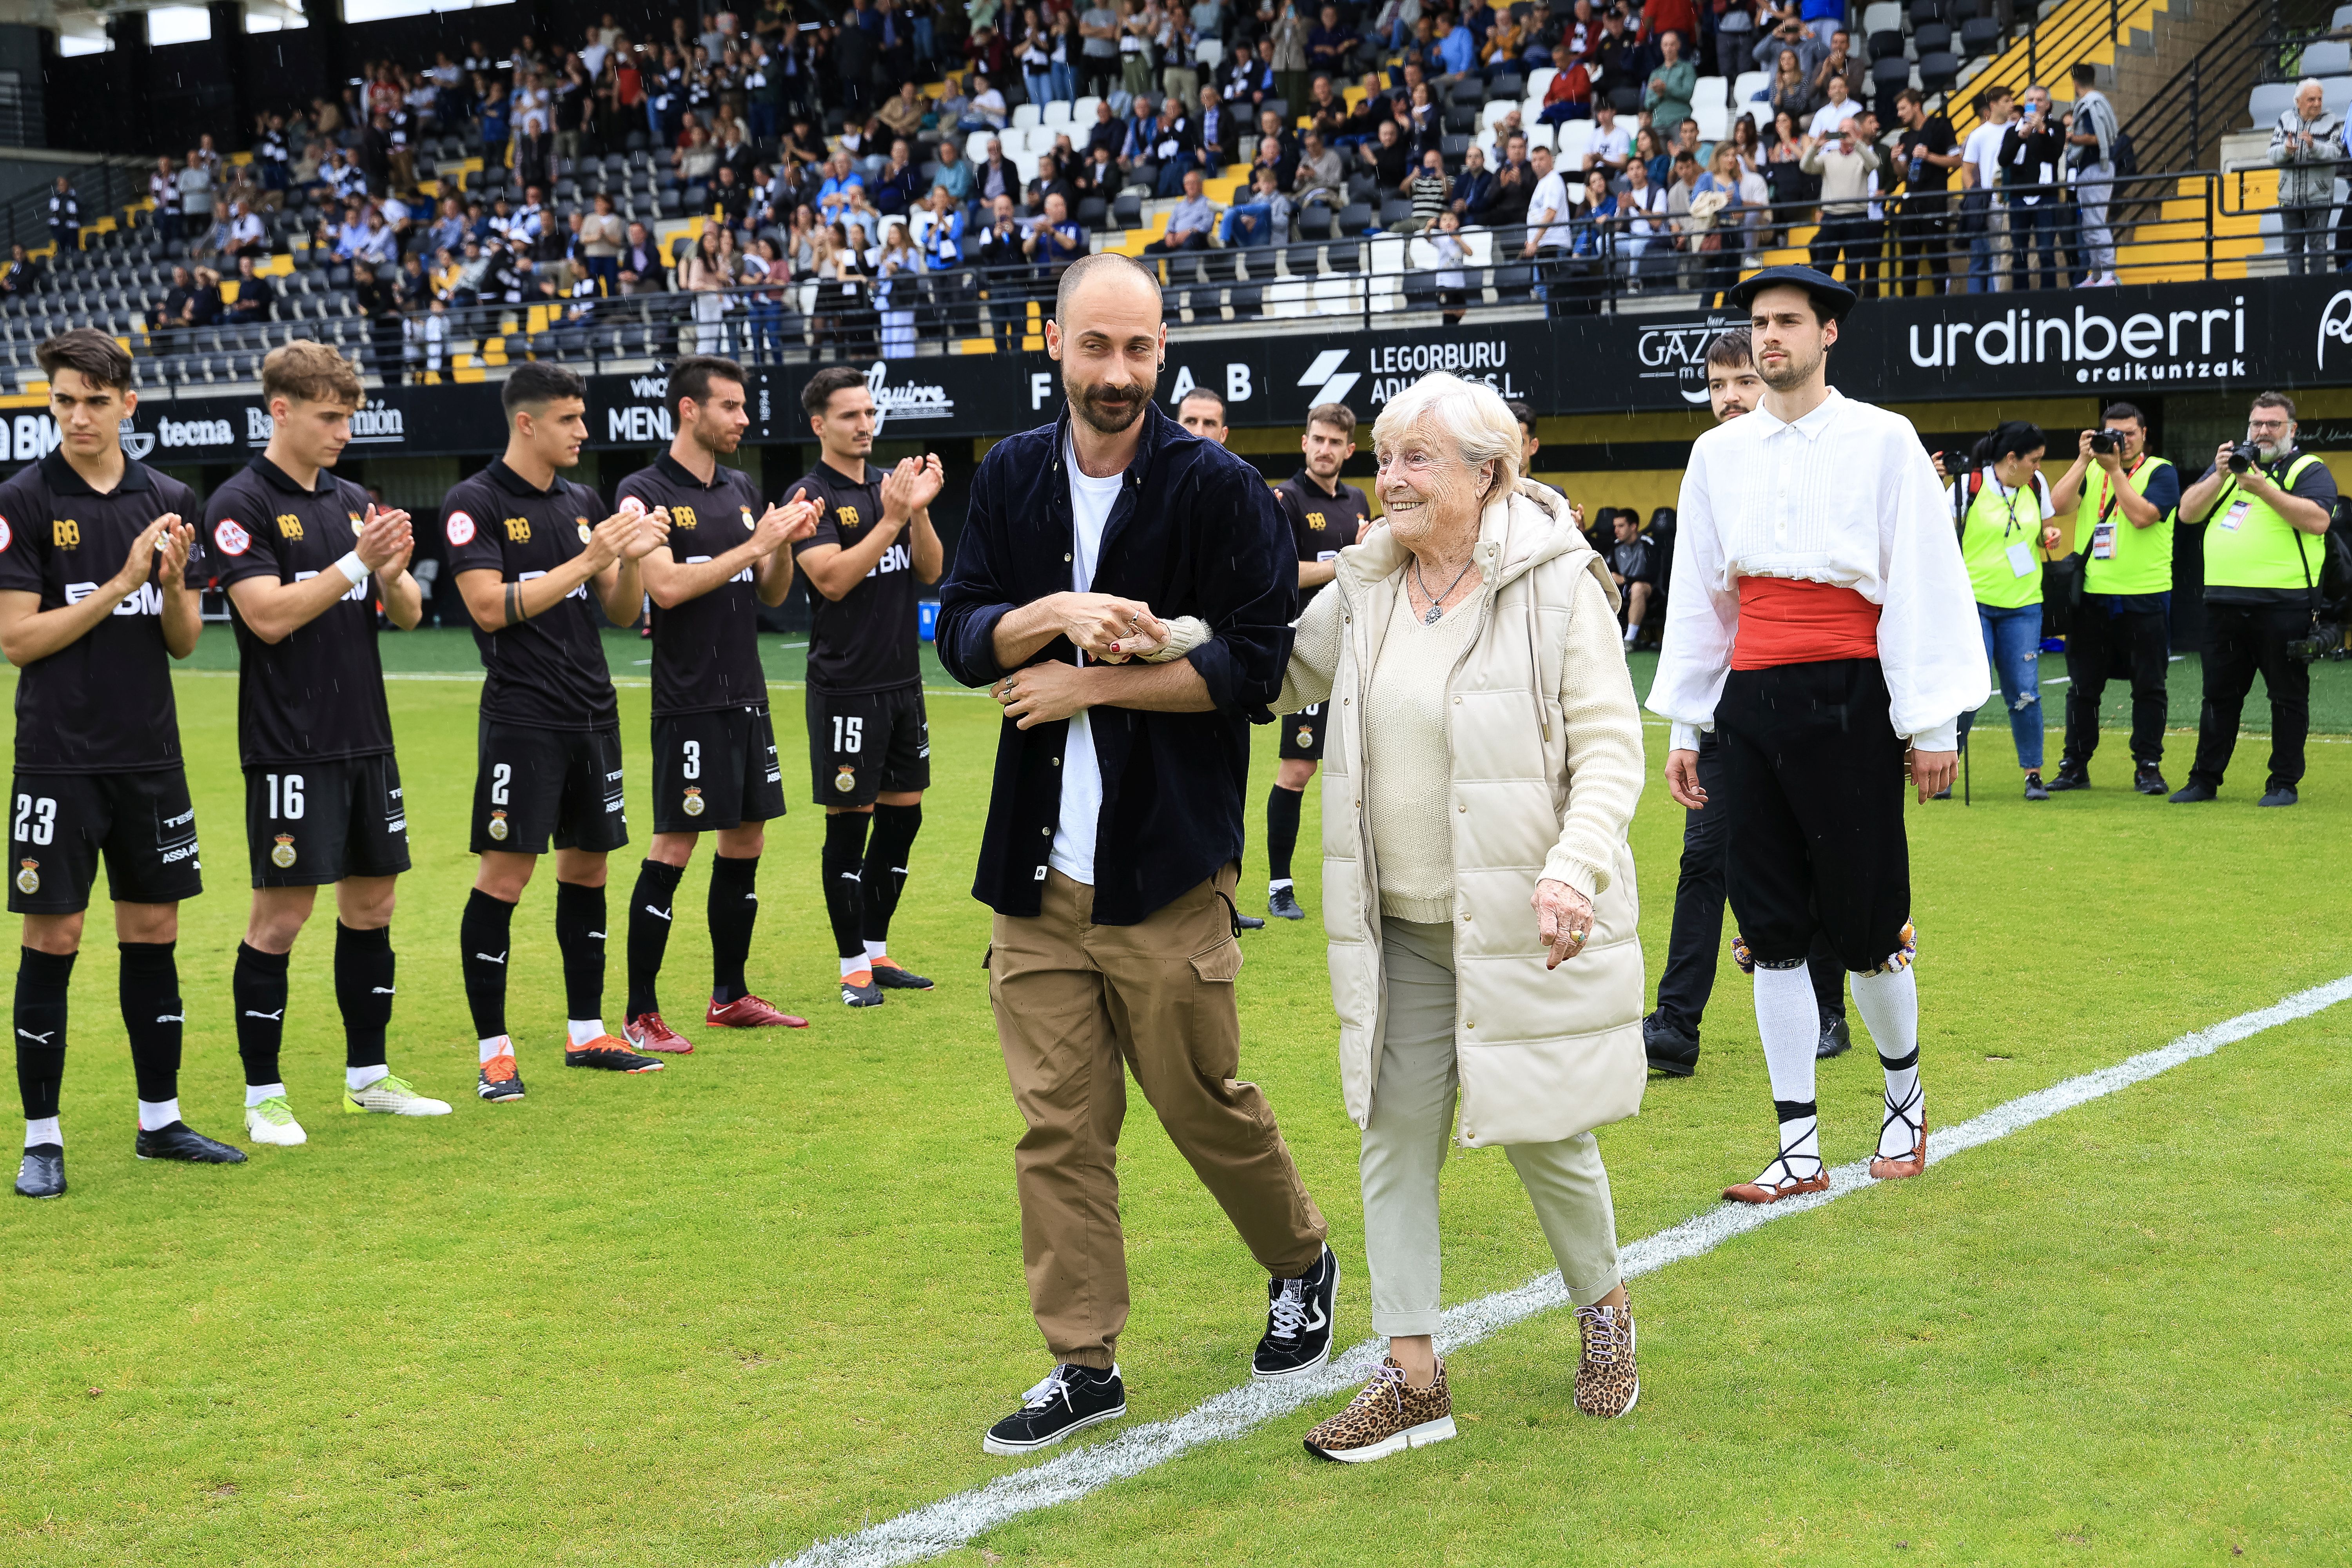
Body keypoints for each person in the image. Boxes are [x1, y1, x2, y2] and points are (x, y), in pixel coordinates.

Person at [935, 254, 1335, 1455]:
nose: (1117, 372)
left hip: (1165, 868)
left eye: (1139, 348)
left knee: (1197, 1099)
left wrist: (1091, 685)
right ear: (1053, 345)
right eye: (1096, 346)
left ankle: (1300, 1259)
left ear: (1164, 351)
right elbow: (962, 635)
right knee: (1057, 1128)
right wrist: (1052, 617)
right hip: (1034, 877)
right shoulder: (1011, 474)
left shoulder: (1219, 488)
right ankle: (1083, 1361)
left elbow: (1254, 670)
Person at [1272, 368, 1649, 1458]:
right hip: (1399, 928)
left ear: (1488, 474)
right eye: (1384, 457)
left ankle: (1605, 1312)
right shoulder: (1368, 584)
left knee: (1546, 1135)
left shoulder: (1557, 584)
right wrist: (1159, 640)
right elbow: (1274, 674)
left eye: (1415, 459)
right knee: (1393, 1139)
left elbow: (1610, 747)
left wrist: (1573, 868)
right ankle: (1412, 1377)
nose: (1388, 478)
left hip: (1518, 921)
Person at [1649, 266, 1988, 1206]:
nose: (1770, 337)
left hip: (1850, 695)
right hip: (1750, 700)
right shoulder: (1718, 454)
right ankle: (1797, 1145)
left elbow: (1920, 577)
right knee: (1769, 932)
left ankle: (1904, 1100)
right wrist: (1688, 720)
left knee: (1869, 924)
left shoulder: (1883, 439)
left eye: (1788, 322)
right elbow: (1703, 595)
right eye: (1760, 323)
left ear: (1827, 332)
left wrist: (1931, 722)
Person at [0, 331, 227, 1198]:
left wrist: (168, 587)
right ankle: (42, 1139)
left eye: (96, 401)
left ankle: (160, 1121)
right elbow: (19, 640)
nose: (79, 416)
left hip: (150, 757)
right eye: (64, 400)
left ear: (129, 403)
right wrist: (123, 580)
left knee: (154, 932)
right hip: (58, 759)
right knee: (53, 937)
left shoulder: (170, 499)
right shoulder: (23, 499)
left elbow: (184, 642)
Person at [203, 341, 443, 1148]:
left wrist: (393, 569)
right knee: (282, 916)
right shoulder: (240, 502)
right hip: (289, 744)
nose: (344, 431)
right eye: (330, 416)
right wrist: (356, 560)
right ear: (281, 410)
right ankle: (263, 1097)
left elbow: (407, 615)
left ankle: (368, 1078)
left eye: (349, 417)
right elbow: (266, 616)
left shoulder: (351, 498)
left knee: (373, 905)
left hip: (365, 736)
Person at [445, 363, 674, 1103]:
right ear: (528, 422)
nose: (583, 431)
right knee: (505, 878)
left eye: (583, 416)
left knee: (589, 871)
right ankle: (495, 1053)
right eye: (569, 419)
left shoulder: (581, 501)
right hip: (523, 718)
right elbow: (488, 607)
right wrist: (591, 557)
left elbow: (620, 610)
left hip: (592, 712)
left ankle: (587, 1032)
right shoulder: (474, 501)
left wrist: (628, 561)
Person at [1641, 331, 1851, 1078]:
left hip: (1804, 698)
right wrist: (1685, 726)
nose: (1729, 397)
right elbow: (1696, 612)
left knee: (1812, 857)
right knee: (1704, 860)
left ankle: (1828, 1008)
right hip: (1724, 712)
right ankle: (1675, 1025)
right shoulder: (1707, 469)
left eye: (1742, 381)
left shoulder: (1817, 464)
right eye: (1717, 384)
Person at [617, 357, 822, 1055]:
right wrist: (757, 542)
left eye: (743, 406)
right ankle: (640, 1013)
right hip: (690, 701)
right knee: (675, 844)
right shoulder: (643, 491)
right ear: (689, 409)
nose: (743, 418)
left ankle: (729, 995)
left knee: (747, 839)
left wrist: (782, 546)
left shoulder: (740, 487)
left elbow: (771, 592)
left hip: (747, 695)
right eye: (730, 406)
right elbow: (667, 588)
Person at [788, 368, 946, 1007]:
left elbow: (930, 570)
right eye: (850, 415)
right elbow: (831, 579)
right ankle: (852, 964)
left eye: (869, 412)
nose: (865, 425)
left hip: (902, 682)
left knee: (904, 817)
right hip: (846, 689)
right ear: (819, 424)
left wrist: (919, 512)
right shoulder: (811, 495)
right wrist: (891, 519)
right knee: (850, 827)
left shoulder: (891, 486)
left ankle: (877, 949)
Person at [2171, 391, 2338, 807]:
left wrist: (2263, 488)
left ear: (2292, 430)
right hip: (2223, 604)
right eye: (2257, 424)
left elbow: (2319, 520)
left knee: (2286, 698)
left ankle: (2283, 783)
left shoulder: (2307, 469)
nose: (2264, 431)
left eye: (2273, 424)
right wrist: (2219, 475)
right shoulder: (2232, 466)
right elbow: (2188, 513)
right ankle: (2204, 780)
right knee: (2219, 697)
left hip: (2284, 605)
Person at [1265, 402, 1372, 923]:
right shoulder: (1285, 499)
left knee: (1363, 772)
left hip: (1360, 651)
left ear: (1349, 450)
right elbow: (1283, 574)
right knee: (1298, 769)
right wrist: (1349, 564)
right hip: (1309, 654)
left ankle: (1365, 882)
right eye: (1318, 440)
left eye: (1335, 442)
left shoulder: (1359, 501)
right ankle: (1280, 885)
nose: (1325, 450)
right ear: (1304, 442)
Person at [2044, 403, 2181, 795]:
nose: (2122, 441)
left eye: (2129, 433)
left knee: (2149, 687)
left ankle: (2148, 766)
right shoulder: (2091, 470)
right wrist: (2083, 459)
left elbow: (2143, 517)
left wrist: (2116, 471)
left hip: (2145, 596)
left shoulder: (2161, 471)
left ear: (2144, 434)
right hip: (2092, 597)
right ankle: (2075, 765)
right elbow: (2057, 506)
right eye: (2113, 434)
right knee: (2083, 688)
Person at [1174, 388, 1270, 935]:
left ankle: (1224, 906)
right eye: (1191, 420)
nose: (1200, 431)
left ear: (1225, 432)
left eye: (1210, 422)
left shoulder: (1242, 494)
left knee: (1228, 794)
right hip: (1162, 678)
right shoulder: (1154, 495)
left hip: (1231, 677)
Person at [1945, 421, 2060, 799]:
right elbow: (1937, 538)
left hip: (2024, 605)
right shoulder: (1967, 487)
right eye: (2034, 460)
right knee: (1969, 692)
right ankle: (1945, 770)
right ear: (2012, 459)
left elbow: (2044, 528)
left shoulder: (2036, 486)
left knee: (2025, 692)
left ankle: (2033, 774)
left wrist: (2050, 535)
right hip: (1973, 605)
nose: (2038, 468)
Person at [2269, 78, 2340, 277]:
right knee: (2292, 248)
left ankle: (2317, 290)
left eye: (2320, 99)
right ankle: (2296, 288)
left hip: (2319, 198)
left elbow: (2336, 153)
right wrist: (2286, 151)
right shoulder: (2285, 119)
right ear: (2298, 101)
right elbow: (2272, 155)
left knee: (2318, 248)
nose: (2317, 104)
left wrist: (2313, 146)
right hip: (2289, 199)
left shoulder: (2332, 121)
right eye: (2311, 99)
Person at [2064, 61, 2120, 288]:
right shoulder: (2099, 101)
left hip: (2097, 168)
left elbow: (2096, 138)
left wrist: (2071, 138)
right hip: (2095, 168)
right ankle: (2097, 274)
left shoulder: (2090, 104)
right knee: (2090, 225)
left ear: (2075, 83)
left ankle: (2108, 273)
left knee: (2095, 222)